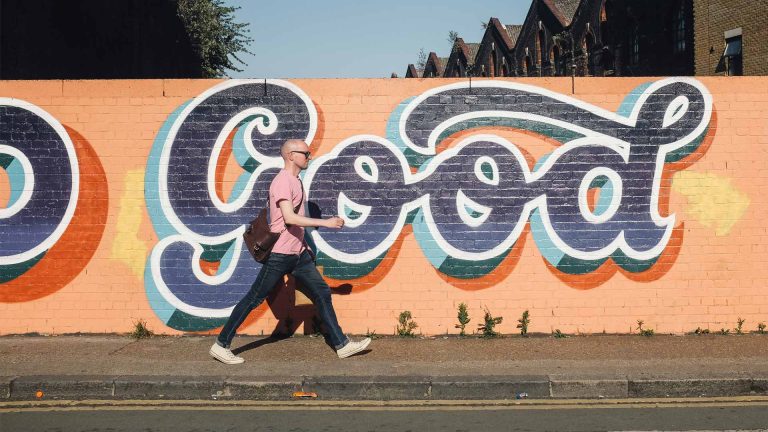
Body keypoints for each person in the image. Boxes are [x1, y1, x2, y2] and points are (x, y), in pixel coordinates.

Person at [209, 139, 371, 364]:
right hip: (280, 254)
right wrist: (326, 223)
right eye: (305, 153)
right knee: (254, 298)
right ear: (291, 155)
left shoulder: (295, 181)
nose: (309, 156)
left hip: (298, 255)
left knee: (321, 292)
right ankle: (221, 344)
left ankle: (341, 345)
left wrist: (304, 246)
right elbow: (289, 217)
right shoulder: (282, 181)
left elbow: (293, 223)